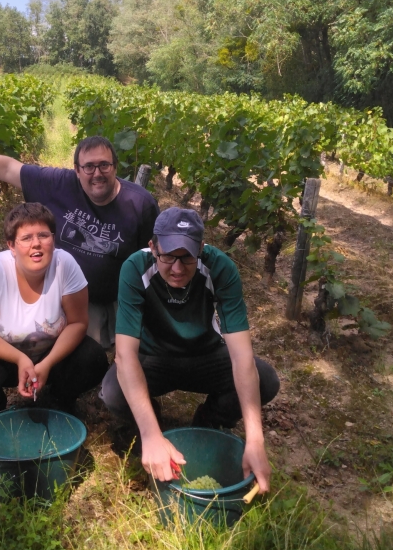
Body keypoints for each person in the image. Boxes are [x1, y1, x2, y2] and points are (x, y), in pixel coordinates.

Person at [99, 207, 280, 492]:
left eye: (187, 258)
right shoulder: (135, 268)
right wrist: (150, 435)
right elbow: (124, 355)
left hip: (206, 355)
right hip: (153, 358)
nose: (177, 268)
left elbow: (242, 356)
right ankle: (155, 429)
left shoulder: (220, 268)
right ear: (152, 248)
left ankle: (209, 422)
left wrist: (255, 440)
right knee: (113, 391)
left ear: (201, 250)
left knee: (265, 379)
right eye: (168, 257)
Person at [0, 136, 159, 349]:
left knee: (86, 355)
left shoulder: (140, 205)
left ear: (115, 167)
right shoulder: (60, 183)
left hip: (98, 302)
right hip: (51, 292)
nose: (97, 173)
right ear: (77, 170)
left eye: (104, 165)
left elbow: (149, 261)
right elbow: (8, 169)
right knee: (36, 343)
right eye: (89, 167)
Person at [0, 202, 109, 420]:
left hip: (52, 352)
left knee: (93, 359)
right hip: (5, 355)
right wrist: (20, 359)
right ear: (12, 246)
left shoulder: (65, 265)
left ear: (53, 239)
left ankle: (60, 399)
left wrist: (47, 363)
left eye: (43, 235)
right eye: (26, 238)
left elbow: (78, 323)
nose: (37, 244)